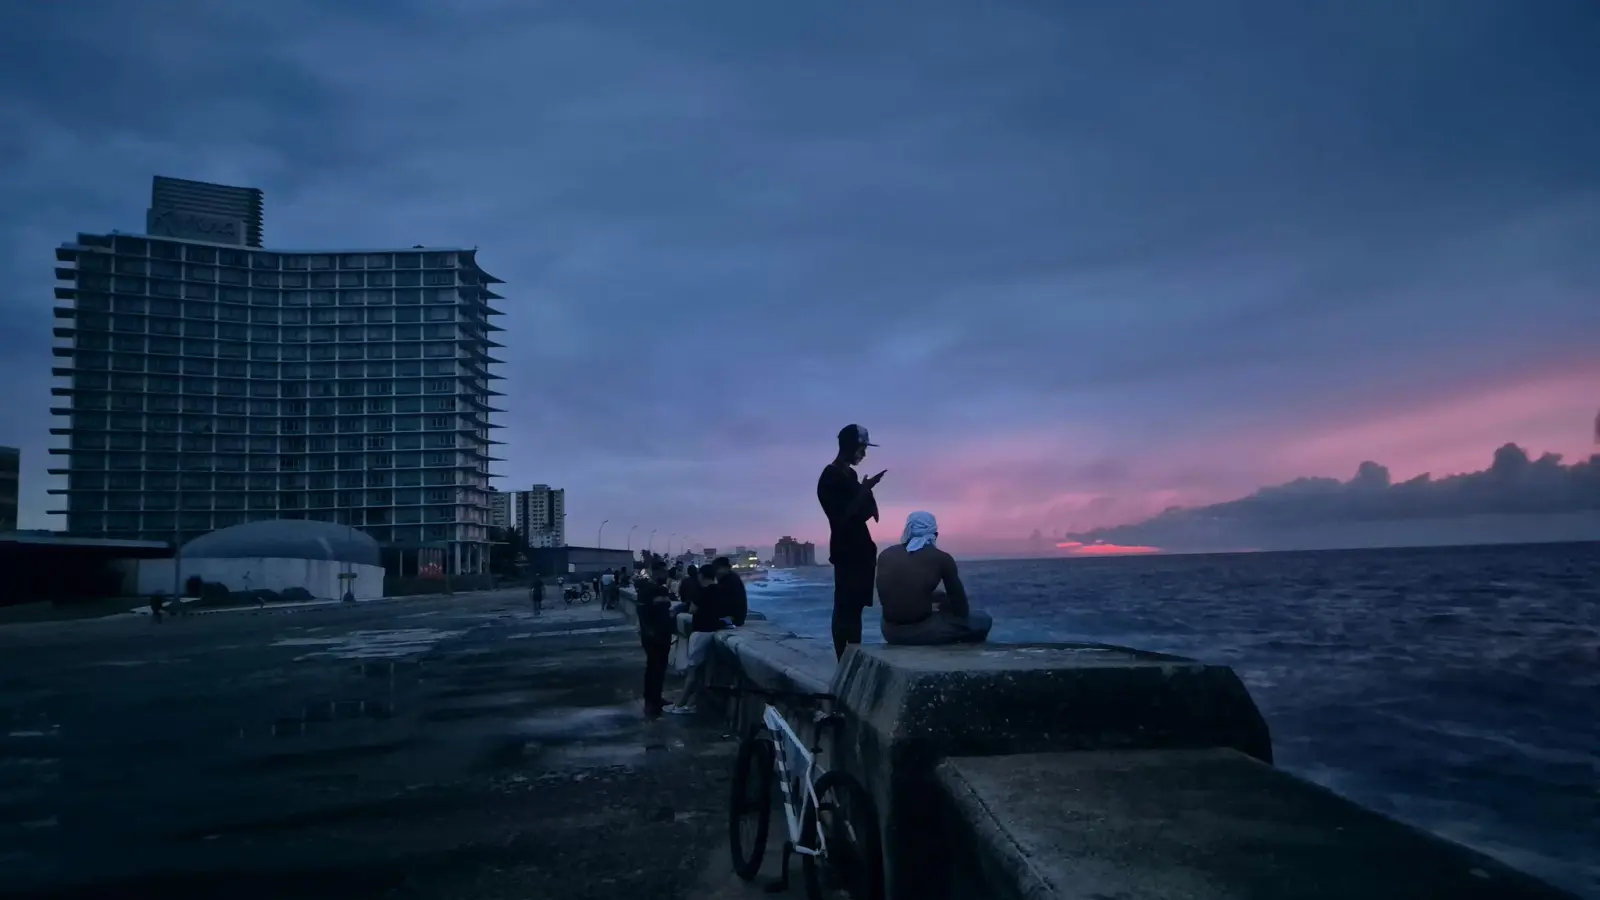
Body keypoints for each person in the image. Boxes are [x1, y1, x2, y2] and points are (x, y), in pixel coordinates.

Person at [818, 423, 884, 658]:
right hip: (846, 550)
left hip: (861, 550)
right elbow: (841, 517)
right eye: (861, 448)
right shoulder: (830, 477)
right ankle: (842, 660)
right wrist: (863, 491)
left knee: (856, 608)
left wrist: (868, 492)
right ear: (850, 446)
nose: (863, 454)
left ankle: (853, 656)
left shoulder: (850, 475)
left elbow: (861, 513)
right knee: (845, 606)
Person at [876, 511, 992, 645]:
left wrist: (932, 597)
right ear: (935, 535)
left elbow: (898, 594)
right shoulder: (942, 558)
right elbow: (961, 610)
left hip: (888, 631)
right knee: (983, 620)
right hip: (920, 633)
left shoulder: (885, 554)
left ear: (907, 530)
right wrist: (946, 604)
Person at [666, 565, 724, 715]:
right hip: (713, 631)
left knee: (693, 672)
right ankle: (691, 703)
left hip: (700, 632)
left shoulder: (703, 592)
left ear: (701, 576)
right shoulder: (719, 590)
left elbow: (692, 609)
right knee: (702, 673)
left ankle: (681, 705)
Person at [634, 559, 676, 717]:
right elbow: (642, 613)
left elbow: (666, 611)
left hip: (664, 635)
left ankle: (656, 698)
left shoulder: (662, 590)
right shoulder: (648, 590)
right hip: (653, 636)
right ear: (656, 572)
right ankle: (651, 701)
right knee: (654, 668)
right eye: (663, 572)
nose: (665, 575)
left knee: (660, 669)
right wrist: (649, 631)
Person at [711, 556, 748, 627]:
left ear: (726, 568)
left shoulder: (729, 581)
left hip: (733, 618)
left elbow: (723, 601)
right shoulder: (731, 578)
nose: (716, 573)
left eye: (717, 569)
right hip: (736, 617)